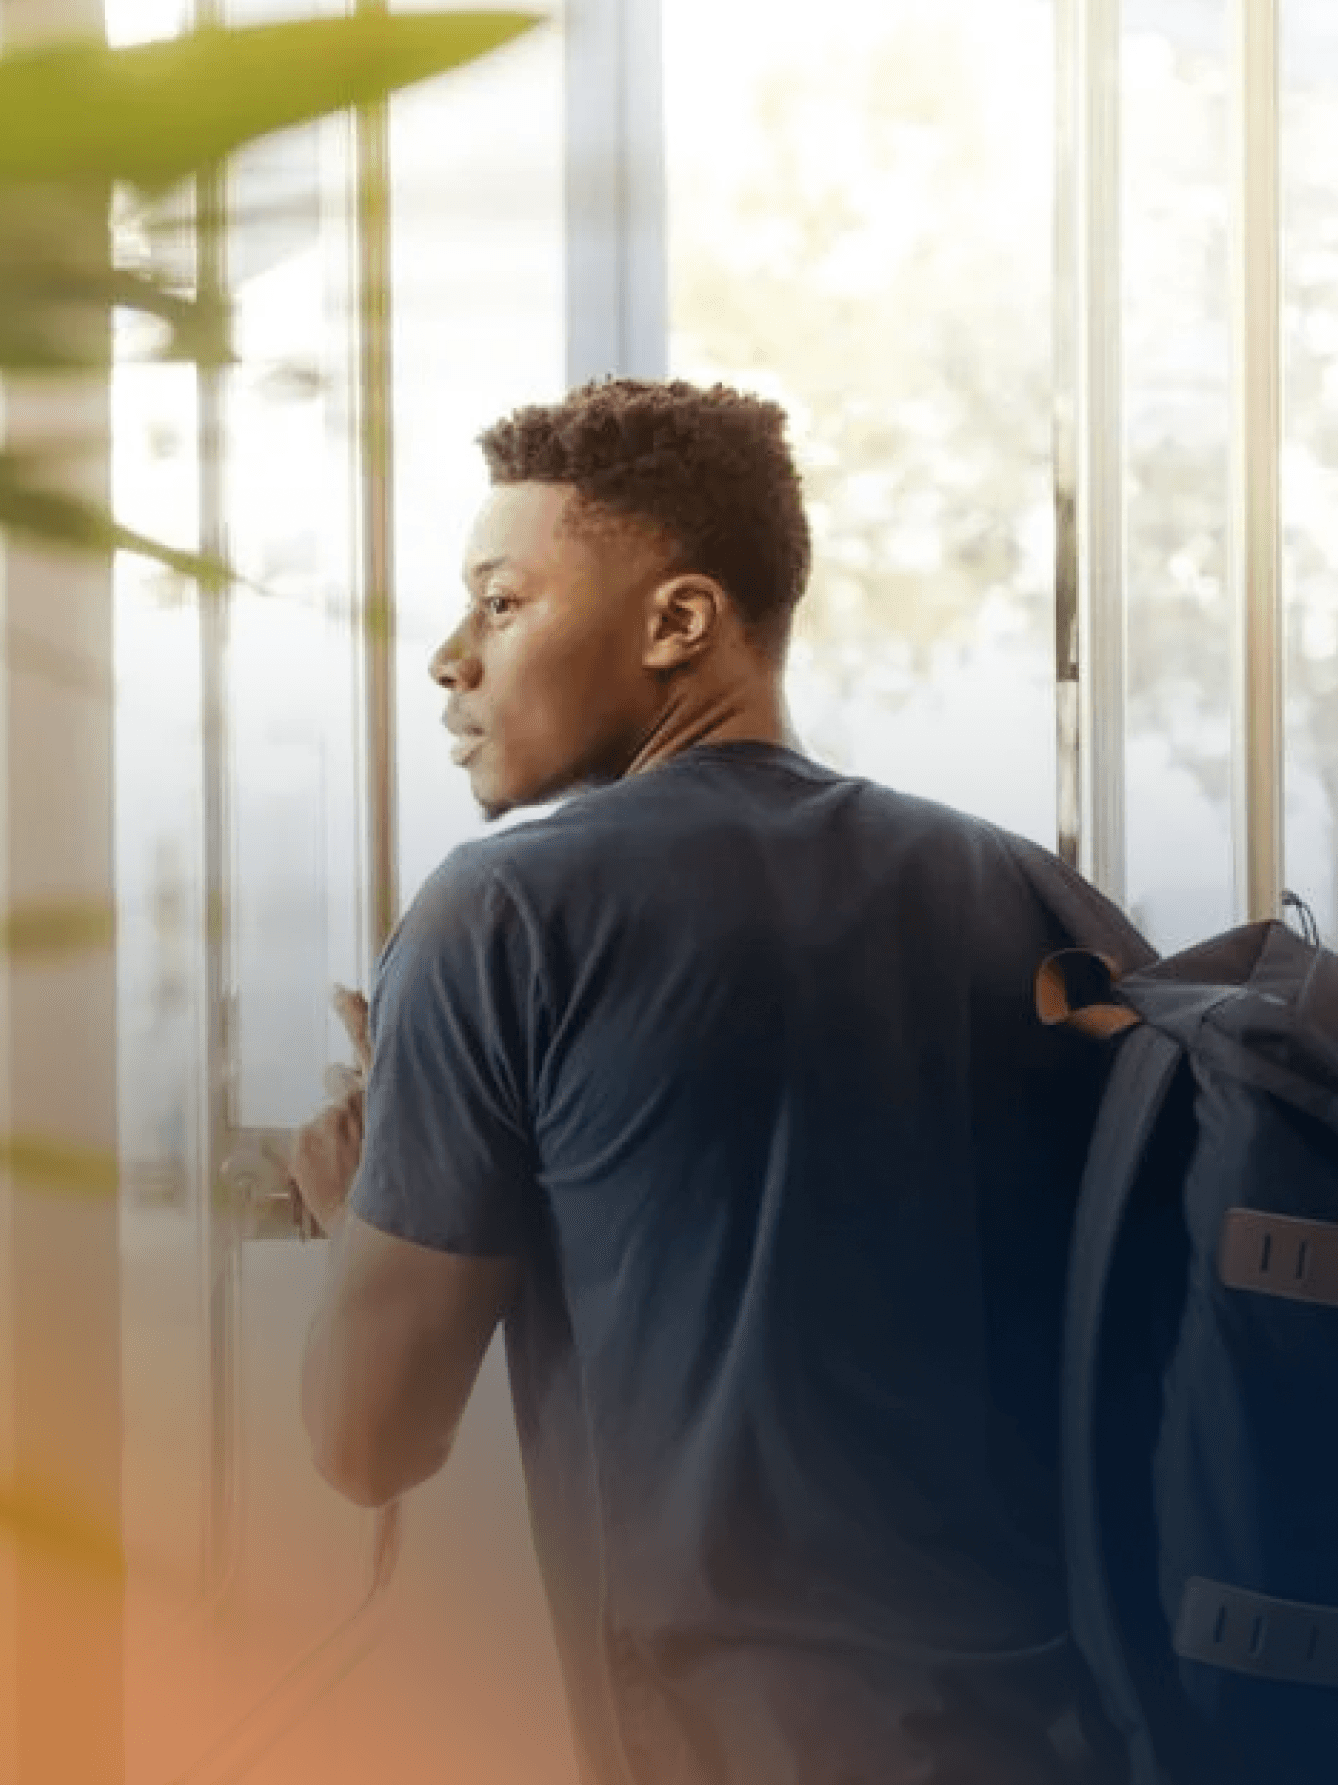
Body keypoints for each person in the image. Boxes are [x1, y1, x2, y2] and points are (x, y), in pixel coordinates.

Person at [284, 379, 1151, 1785]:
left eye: (500, 604)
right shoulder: (1039, 899)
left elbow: (365, 1444)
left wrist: (354, 1207)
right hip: (1070, 1739)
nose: (451, 659)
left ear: (681, 621)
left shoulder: (504, 915)